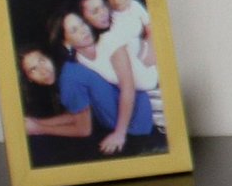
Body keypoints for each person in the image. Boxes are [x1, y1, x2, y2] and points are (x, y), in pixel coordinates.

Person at [56, 10, 163, 157]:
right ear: (66, 42)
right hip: (138, 102)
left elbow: (128, 87)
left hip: (153, 84)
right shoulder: (78, 65)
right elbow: (79, 111)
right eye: (74, 30)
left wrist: (120, 133)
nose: (83, 30)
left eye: (82, 23)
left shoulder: (108, 41)